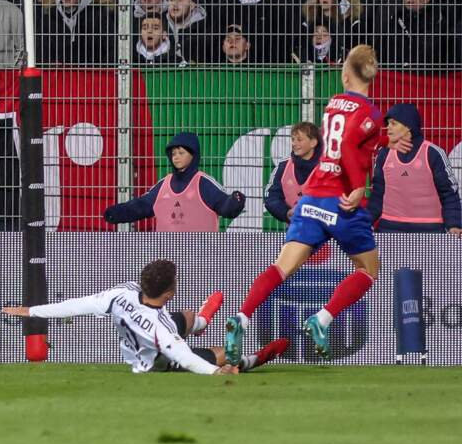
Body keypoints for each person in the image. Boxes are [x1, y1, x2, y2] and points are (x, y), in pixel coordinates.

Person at [225, 44, 393, 361]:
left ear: (345, 75)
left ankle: (242, 317)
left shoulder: (333, 104)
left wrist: (386, 139)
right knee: (368, 270)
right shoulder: (370, 111)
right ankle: (322, 318)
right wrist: (358, 186)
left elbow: (352, 138)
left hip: (312, 196)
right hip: (342, 201)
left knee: (281, 267)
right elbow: (348, 143)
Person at [2, 259, 289, 376]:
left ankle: (200, 322)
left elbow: (77, 305)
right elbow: (185, 358)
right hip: (154, 362)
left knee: (188, 318)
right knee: (224, 354)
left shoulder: (125, 292)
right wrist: (215, 372)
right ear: (167, 294)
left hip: (135, 340)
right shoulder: (161, 329)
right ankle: (253, 360)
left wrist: (31, 311)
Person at [103, 132, 246, 231]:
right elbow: (141, 205)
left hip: (201, 257)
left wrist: (235, 201)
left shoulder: (203, 182)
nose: (176, 157)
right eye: (173, 154)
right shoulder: (163, 184)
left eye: (181, 153)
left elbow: (224, 206)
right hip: (167, 259)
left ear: (193, 155)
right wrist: (118, 212)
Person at [368, 103, 462, 235]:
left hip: (430, 231)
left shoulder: (433, 153)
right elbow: (377, 195)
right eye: (388, 123)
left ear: (408, 126)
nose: (388, 127)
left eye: (393, 123)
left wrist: (454, 224)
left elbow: (449, 193)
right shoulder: (384, 154)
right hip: (389, 229)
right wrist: (366, 223)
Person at [265, 121, 323, 225]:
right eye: (293, 139)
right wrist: (286, 213)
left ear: (313, 142)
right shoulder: (284, 165)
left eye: (299, 140)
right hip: (296, 228)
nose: (294, 143)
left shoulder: (327, 166)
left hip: (327, 230)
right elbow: (271, 197)